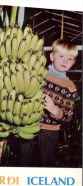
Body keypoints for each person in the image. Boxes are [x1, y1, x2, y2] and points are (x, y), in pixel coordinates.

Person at [38, 38, 78, 167]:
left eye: (70, 59)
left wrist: (55, 110)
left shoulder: (70, 87)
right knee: (25, 163)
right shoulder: (37, 74)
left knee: (46, 165)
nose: (65, 61)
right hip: (27, 125)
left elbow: (68, 116)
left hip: (49, 132)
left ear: (74, 62)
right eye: (61, 56)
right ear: (52, 56)